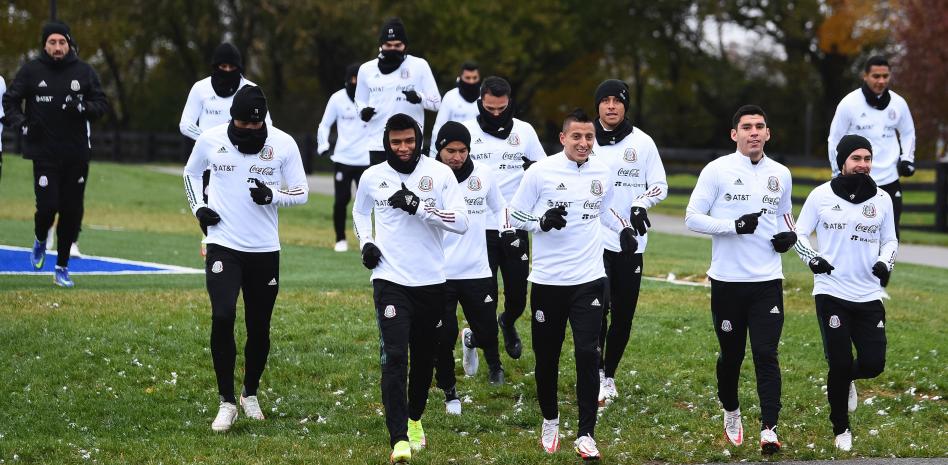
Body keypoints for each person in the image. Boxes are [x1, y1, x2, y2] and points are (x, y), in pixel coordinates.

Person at [507, 109, 637, 461]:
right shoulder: (540, 171)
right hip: (548, 282)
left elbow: (608, 210)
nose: (583, 143)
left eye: (589, 137)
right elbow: (513, 214)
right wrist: (541, 221)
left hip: (590, 280)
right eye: (576, 137)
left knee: (587, 353)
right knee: (547, 357)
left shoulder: (602, 171)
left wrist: (624, 228)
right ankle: (550, 419)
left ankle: (586, 433)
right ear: (563, 138)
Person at [182, 85, 309, 433]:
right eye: (242, 124)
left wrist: (273, 195)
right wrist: (199, 208)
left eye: (255, 126)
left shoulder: (283, 144)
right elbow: (190, 174)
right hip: (223, 243)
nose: (249, 130)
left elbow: (302, 192)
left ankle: (249, 393)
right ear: (231, 118)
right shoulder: (210, 139)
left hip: (265, 249)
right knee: (222, 315)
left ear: (264, 121)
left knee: (259, 326)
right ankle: (225, 402)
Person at [351, 113, 469, 463]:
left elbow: (462, 222)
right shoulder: (373, 177)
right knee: (395, 356)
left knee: (423, 359)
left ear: (419, 140)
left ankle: (415, 418)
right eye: (395, 142)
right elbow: (360, 213)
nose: (402, 148)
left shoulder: (440, 173)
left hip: (431, 281)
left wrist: (421, 209)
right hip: (390, 280)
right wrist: (366, 243)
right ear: (387, 141)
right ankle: (398, 439)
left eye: (408, 141)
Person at [685, 105, 796, 454]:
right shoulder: (716, 171)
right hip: (728, 283)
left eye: (760, 127)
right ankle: (731, 410)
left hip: (767, 282)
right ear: (734, 134)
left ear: (768, 134)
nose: (754, 132)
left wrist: (788, 238)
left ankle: (769, 429)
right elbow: (692, 218)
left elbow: (786, 219)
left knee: (766, 353)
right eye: (746, 127)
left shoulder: (780, 173)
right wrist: (733, 227)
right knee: (731, 356)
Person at [793, 134, 897, 452]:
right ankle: (841, 429)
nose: (863, 165)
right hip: (831, 291)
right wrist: (813, 259)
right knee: (839, 363)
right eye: (856, 158)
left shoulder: (882, 199)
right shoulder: (821, 196)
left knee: (873, 364)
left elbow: (891, 240)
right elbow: (799, 233)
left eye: (867, 159)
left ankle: (848, 379)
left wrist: (884, 262)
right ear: (842, 162)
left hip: (869, 295)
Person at [2, 21, 109, 287]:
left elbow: (101, 104)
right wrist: (23, 125)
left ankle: (61, 267)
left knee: (71, 212)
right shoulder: (31, 71)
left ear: (69, 44)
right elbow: (10, 101)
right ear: (45, 44)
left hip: (76, 154)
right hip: (44, 153)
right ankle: (40, 239)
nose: (58, 47)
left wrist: (82, 107)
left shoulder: (84, 72)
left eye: (62, 42)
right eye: (52, 42)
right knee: (48, 207)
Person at [590, 79, 668, 407]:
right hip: (593, 240)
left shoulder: (643, 143)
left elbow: (660, 185)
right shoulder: (586, 140)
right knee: (597, 311)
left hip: (631, 243)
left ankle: (610, 375)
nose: (611, 106)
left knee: (623, 314)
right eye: (604, 100)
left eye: (616, 101)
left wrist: (641, 204)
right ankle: (594, 374)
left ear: (625, 106)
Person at [462, 76, 545, 361]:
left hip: (515, 225)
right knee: (486, 297)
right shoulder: (467, 131)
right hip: (479, 227)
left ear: (509, 102)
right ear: (480, 103)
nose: (496, 113)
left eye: (501, 108)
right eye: (490, 108)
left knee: (518, 297)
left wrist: (534, 172)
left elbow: (542, 173)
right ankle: (493, 361)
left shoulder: (525, 131)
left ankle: (507, 321)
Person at [431, 122, 507, 417]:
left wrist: (508, 231)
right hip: (439, 273)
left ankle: (474, 341)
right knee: (443, 335)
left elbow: (501, 208)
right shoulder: (430, 177)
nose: (457, 156)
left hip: (477, 270)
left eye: (462, 150)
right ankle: (450, 393)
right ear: (440, 149)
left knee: (488, 332)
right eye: (451, 150)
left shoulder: (484, 175)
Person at [179, 42, 270, 255]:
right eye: (223, 67)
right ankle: (214, 243)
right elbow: (186, 123)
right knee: (209, 203)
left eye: (232, 67)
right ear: (215, 66)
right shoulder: (200, 89)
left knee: (241, 205)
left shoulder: (250, 90)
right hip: (210, 159)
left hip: (244, 158)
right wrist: (210, 141)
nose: (227, 72)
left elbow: (268, 125)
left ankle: (241, 248)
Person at [828, 56, 915, 237]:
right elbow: (834, 139)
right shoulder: (849, 103)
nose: (881, 81)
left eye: (885, 76)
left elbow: (908, 132)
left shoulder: (898, 103)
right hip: (857, 179)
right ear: (865, 76)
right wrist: (837, 171)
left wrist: (907, 158)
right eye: (876, 76)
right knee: (855, 233)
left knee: (890, 236)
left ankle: (885, 266)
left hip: (889, 179)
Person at [355, 18, 440, 166]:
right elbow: (358, 101)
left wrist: (419, 98)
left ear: (405, 45)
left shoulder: (419, 66)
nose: (392, 49)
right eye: (388, 45)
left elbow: (437, 103)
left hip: (410, 144)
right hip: (377, 144)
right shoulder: (366, 69)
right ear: (381, 45)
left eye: (397, 45)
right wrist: (363, 112)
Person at [316, 63, 369, 252]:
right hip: (343, 158)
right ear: (347, 81)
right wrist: (323, 145)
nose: (355, 84)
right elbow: (324, 125)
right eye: (352, 81)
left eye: (359, 81)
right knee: (341, 200)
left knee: (368, 202)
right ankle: (340, 239)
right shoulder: (337, 99)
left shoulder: (372, 96)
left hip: (366, 159)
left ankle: (367, 239)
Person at [428, 61, 480, 157]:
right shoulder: (450, 97)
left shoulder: (484, 97)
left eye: (474, 78)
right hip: (455, 150)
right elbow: (438, 127)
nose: (471, 81)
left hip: (479, 149)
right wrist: (433, 155)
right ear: (460, 78)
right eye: (468, 78)